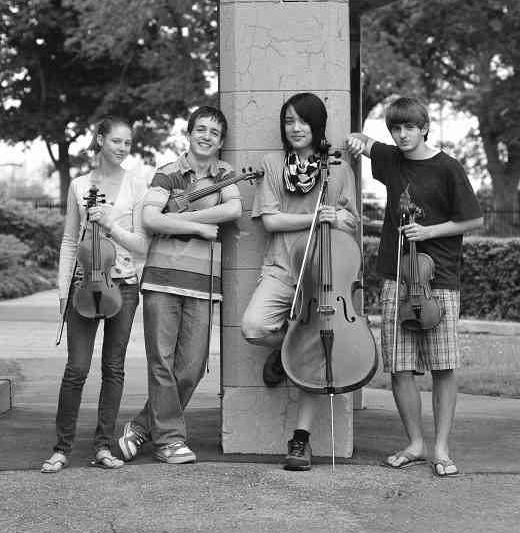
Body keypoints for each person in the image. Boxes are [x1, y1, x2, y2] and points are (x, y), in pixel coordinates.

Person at [346, 97, 483, 477]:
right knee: (400, 367)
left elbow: (472, 220)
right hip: (396, 277)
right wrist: (357, 139)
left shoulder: (448, 168)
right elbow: (361, 140)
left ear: (424, 127)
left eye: (409, 127)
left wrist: (429, 231)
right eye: (396, 128)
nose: (402, 134)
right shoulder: (391, 160)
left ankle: (441, 447)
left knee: (443, 366)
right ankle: (416, 444)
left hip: (436, 280)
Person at [240, 92, 359, 472]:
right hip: (282, 268)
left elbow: (352, 221)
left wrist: (339, 218)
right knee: (254, 326)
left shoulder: (337, 168)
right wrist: (315, 218)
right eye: (289, 121)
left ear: (317, 125)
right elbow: (271, 220)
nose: (295, 128)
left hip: (325, 276)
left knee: (318, 350)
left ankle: (301, 441)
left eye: (303, 121)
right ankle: (287, 347)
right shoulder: (273, 164)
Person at [117, 105, 242, 465]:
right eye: (200, 129)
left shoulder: (226, 173)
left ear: (221, 142)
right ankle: (170, 441)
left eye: (214, 133)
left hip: (203, 282)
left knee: (192, 366)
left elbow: (232, 210)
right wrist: (199, 227)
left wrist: (183, 217)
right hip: (163, 278)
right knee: (162, 361)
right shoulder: (169, 172)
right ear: (188, 134)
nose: (206, 136)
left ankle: (140, 427)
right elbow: (151, 218)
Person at [41, 116, 148, 472]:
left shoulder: (137, 185)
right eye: (116, 141)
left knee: (113, 369)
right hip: (84, 284)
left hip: (124, 287)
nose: (122, 148)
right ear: (100, 140)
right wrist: (62, 289)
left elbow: (141, 245)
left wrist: (111, 226)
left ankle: (103, 446)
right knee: (77, 368)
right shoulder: (79, 185)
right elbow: (70, 240)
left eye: (127, 143)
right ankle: (61, 448)